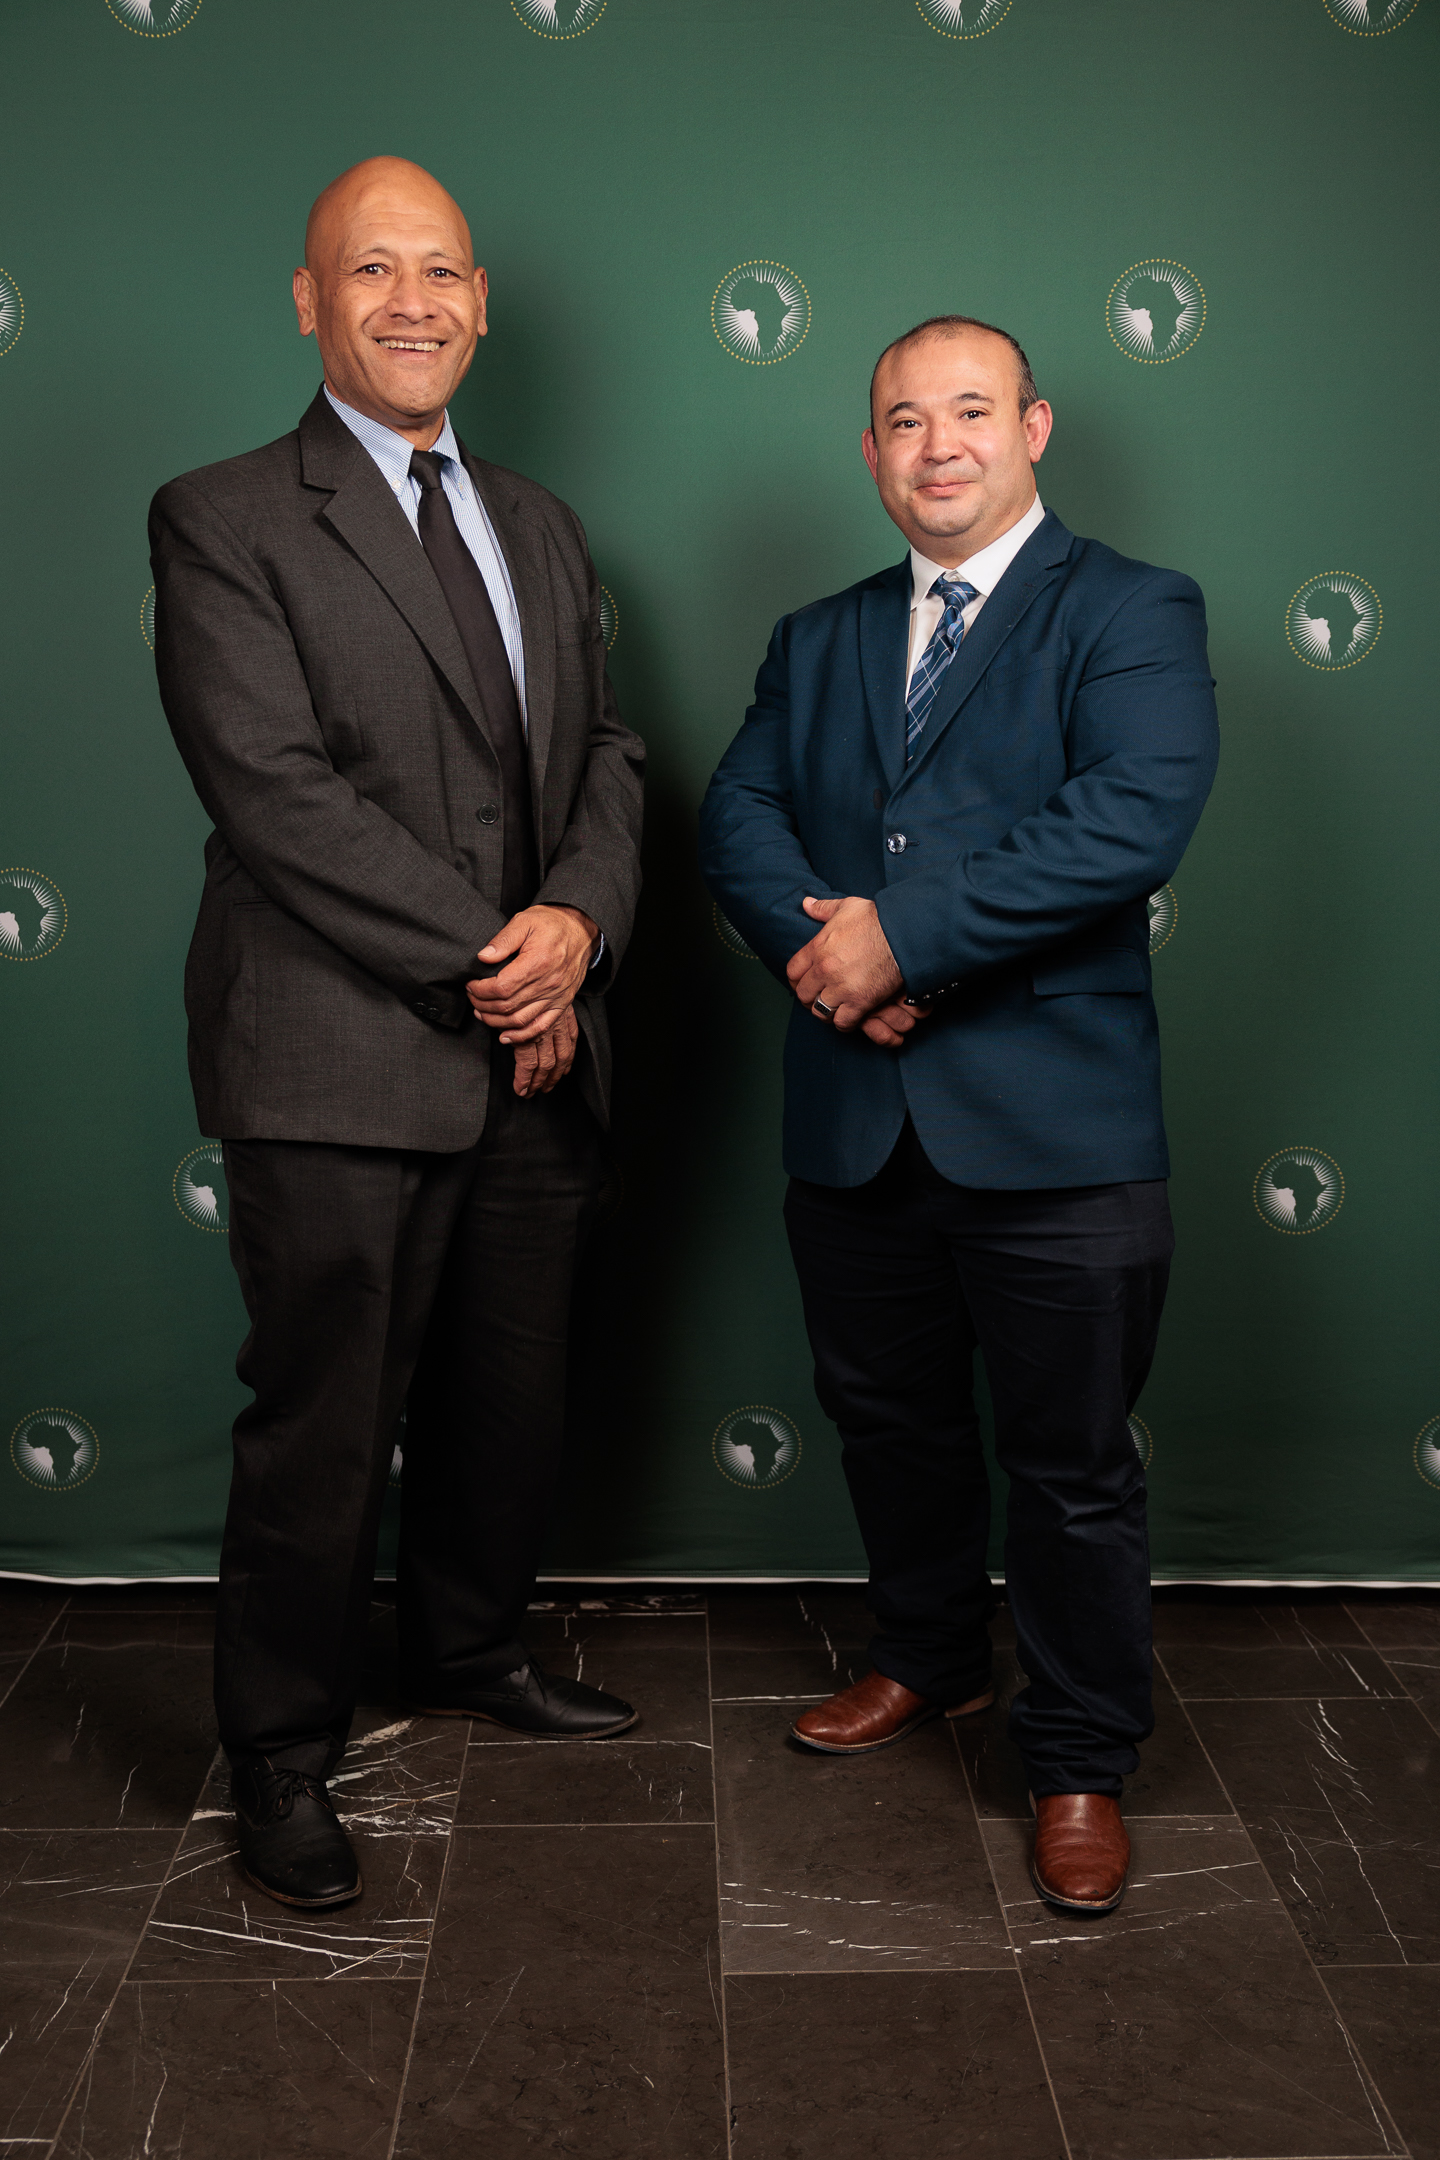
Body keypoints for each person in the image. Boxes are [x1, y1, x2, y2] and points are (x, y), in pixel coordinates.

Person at [150, 156, 645, 1911]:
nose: (412, 301)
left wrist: (579, 929)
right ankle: (282, 1751)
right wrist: (504, 966)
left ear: (482, 301)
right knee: (325, 1422)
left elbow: (606, 756)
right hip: (339, 1049)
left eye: (440, 270)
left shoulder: (541, 522)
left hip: (539, 1045)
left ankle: (470, 1645)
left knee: (508, 1393)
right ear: (311, 301)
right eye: (372, 271)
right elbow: (275, 793)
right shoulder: (223, 516)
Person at [699, 315, 1218, 1915]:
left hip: (1058, 1134)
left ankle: (1078, 1757)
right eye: (906, 420)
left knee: (1070, 1466)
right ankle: (928, 1655)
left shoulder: (1131, 609)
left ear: (1033, 429)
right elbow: (738, 811)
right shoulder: (818, 635)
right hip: (859, 1115)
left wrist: (904, 941)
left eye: (972, 411)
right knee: (892, 1422)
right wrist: (830, 961)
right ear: (872, 453)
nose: (940, 446)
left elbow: (1128, 817)